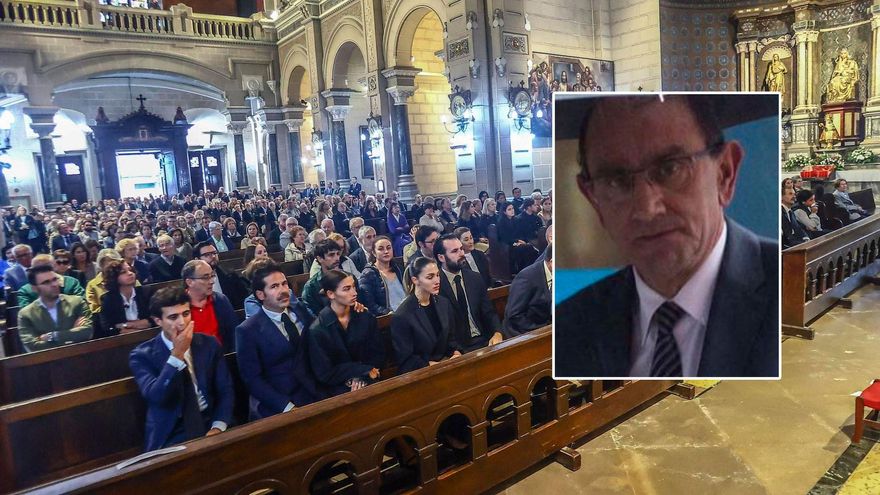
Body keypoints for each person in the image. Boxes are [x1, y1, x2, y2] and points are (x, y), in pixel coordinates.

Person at [555, 94, 779, 378]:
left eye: (670, 168)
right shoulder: (571, 325)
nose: (647, 209)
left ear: (724, 174)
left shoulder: (786, 287)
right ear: (593, 199)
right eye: (616, 180)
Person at [129, 287, 234, 452]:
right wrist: (176, 355)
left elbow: (225, 390)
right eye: (173, 317)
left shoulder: (209, 344)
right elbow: (157, 397)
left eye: (186, 314)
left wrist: (218, 425)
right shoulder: (142, 355)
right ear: (158, 321)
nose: (182, 322)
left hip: (209, 418)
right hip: (172, 429)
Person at [235, 261, 319, 419]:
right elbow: (253, 380)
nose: (283, 290)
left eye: (284, 284)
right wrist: (286, 407)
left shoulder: (299, 310)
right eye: (274, 287)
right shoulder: (247, 330)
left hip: (313, 389)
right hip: (279, 401)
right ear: (260, 295)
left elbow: (320, 340)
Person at [307, 269, 385, 397]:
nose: (354, 293)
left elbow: (378, 353)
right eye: (346, 289)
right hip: (337, 388)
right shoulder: (318, 329)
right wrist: (360, 371)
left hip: (371, 378)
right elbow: (324, 372)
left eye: (354, 287)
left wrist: (365, 376)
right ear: (331, 294)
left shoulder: (365, 316)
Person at [434, 233, 503, 352]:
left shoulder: (474, 278)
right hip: (456, 348)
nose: (462, 254)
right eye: (455, 251)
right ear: (441, 258)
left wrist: (497, 332)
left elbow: (489, 312)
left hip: (484, 339)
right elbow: (440, 328)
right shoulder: (436, 285)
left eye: (461, 248)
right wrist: (454, 351)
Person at [391, 257, 461, 374]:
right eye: (430, 277)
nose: (437, 280)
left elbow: (452, 339)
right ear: (415, 280)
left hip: (447, 364)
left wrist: (456, 353)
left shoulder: (444, 303)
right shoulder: (402, 315)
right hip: (421, 372)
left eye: (438, 275)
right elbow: (406, 359)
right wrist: (432, 365)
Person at [18, 264, 93, 352]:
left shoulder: (77, 302)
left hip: (80, 358)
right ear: (34, 288)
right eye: (46, 282)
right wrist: (72, 333)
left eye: (55, 279)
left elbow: (87, 332)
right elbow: (33, 346)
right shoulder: (26, 314)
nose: (54, 284)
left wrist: (52, 336)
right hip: (47, 363)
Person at [182, 259, 241, 352]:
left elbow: (234, 333)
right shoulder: (179, 306)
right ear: (189, 282)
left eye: (212, 276)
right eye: (205, 277)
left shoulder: (221, 300)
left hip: (223, 357)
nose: (211, 281)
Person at [503, 244, 552, 337]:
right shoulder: (527, 277)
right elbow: (514, 314)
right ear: (552, 262)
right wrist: (543, 330)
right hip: (523, 332)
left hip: (547, 327)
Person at [97, 260, 153, 339]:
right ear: (114, 277)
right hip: (121, 341)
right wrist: (139, 327)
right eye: (123, 272)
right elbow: (107, 327)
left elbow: (154, 320)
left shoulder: (145, 292)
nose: (130, 273)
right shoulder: (108, 299)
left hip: (150, 337)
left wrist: (128, 325)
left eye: (130, 270)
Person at [359, 236, 406, 316]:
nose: (386, 251)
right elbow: (369, 304)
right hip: (389, 318)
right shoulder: (368, 274)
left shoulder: (399, 268)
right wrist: (387, 313)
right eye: (381, 249)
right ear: (374, 253)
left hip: (408, 313)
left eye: (388, 248)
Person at [17, 254, 85, 308]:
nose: (44, 272)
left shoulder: (71, 282)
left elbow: (83, 303)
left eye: (47, 268)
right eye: (40, 269)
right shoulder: (25, 291)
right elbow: (27, 314)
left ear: (54, 266)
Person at [192, 241, 249, 305]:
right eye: (207, 255)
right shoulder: (193, 282)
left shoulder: (230, 276)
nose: (213, 256)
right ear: (197, 259)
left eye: (214, 253)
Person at [301, 239, 342, 314]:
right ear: (320, 258)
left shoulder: (348, 277)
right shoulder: (311, 287)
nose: (337, 258)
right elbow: (313, 316)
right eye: (331, 255)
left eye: (338, 254)